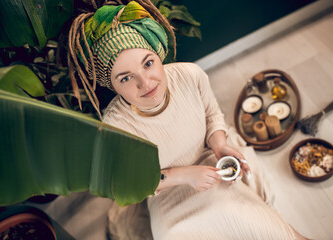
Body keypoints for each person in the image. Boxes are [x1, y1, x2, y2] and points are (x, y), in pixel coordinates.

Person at [68, 1, 309, 239]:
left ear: (158, 53)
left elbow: (212, 114)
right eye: (125, 78)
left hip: (213, 166)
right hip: (169, 199)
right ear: (111, 85)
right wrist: (184, 175)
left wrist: (219, 143)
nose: (145, 82)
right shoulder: (117, 125)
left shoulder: (190, 75)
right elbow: (131, 182)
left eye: (148, 63)